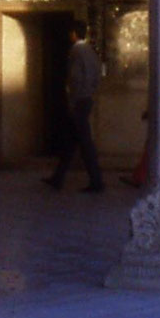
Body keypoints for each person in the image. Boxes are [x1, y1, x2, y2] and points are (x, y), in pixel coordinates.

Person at [44, 21, 105, 193]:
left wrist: (73, 99)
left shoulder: (77, 51)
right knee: (71, 141)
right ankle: (58, 178)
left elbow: (76, 78)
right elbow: (96, 74)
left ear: (73, 33)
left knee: (85, 143)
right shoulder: (90, 51)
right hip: (86, 98)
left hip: (79, 101)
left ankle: (96, 181)